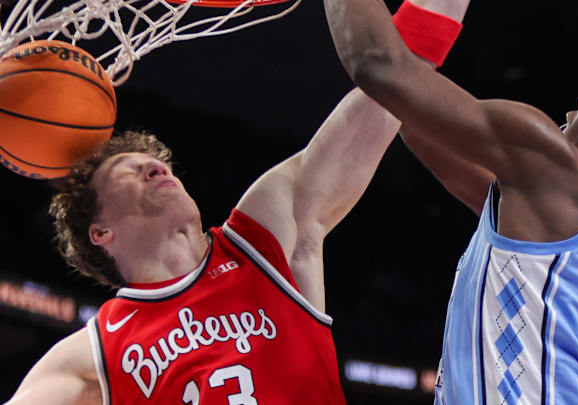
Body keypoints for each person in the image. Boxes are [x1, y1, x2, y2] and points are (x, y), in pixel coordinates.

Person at [2, 0, 473, 403]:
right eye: (128, 170)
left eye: (158, 163)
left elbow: (390, 86)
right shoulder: (93, 353)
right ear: (100, 232)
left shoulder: (264, 238)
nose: (156, 167)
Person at [322, 1, 578, 404]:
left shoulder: (559, 171)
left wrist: (405, 69)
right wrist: (432, 19)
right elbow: (416, 123)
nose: (577, 105)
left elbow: (377, 66)